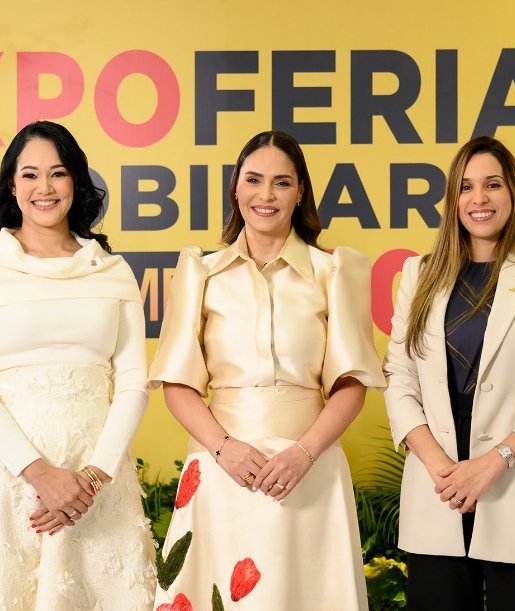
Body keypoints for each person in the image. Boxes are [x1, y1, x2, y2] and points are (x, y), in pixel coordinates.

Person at [0, 121, 156, 611]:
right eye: (30, 175)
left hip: (98, 483)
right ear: (12, 185)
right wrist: (41, 474)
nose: (44, 188)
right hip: (6, 479)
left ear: (77, 183)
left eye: (58, 173)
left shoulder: (111, 270)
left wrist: (90, 478)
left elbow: (134, 384)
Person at [147, 130, 385, 610]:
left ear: (300, 192)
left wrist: (304, 454)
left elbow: (351, 385)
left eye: (282, 182)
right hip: (220, 471)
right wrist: (224, 449)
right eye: (254, 180)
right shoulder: (200, 272)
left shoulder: (335, 273)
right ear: (236, 187)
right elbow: (177, 385)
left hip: (308, 472)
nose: (267, 195)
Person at [383, 135, 515, 611]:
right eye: (465, 187)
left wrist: (492, 463)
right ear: (452, 200)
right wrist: (444, 471)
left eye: (492, 185)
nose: (478, 199)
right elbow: (399, 378)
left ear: (514, 193)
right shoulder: (419, 273)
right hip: (438, 491)